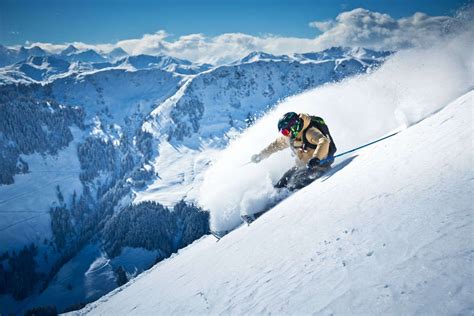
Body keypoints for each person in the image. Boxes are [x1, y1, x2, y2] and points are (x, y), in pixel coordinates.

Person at [251, 112, 337, 190]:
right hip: (301, 165)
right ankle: (276, 197)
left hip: (318, 164)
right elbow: (275, 145)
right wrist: (260, 155)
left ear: (294, 127)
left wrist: (316, 158)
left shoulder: (309, 132)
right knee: (282, 182)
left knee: (296, 182)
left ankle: (292, 199)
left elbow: (324, 141)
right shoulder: (289, 137)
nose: (285, 134)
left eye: (286, 131)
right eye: (283, 132)